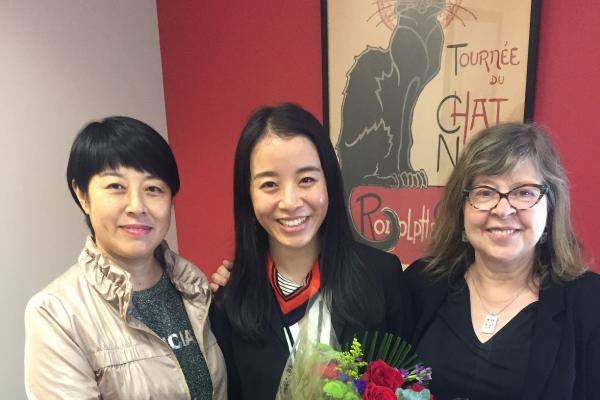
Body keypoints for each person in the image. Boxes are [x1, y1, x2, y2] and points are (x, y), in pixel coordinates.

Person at [210, 103, 411, 399]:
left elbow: (409, 382)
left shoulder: (381, 275)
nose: (290, 202)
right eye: (269, 184)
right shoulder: (231, 300)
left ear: (329, 182)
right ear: (248, 195)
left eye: (306, 179)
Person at [24, 116, 226, 399]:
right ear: (82, 195)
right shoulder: (57, 314)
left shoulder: (194, 288)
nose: (137, 206)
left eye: (153, 189)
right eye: (116, 186)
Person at [404, 122, 600, 399]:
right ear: (461, 207)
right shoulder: (421, 283)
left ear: (551, 206)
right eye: (485, 192)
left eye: (524, 192)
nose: (503, 209)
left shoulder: (591, 303)